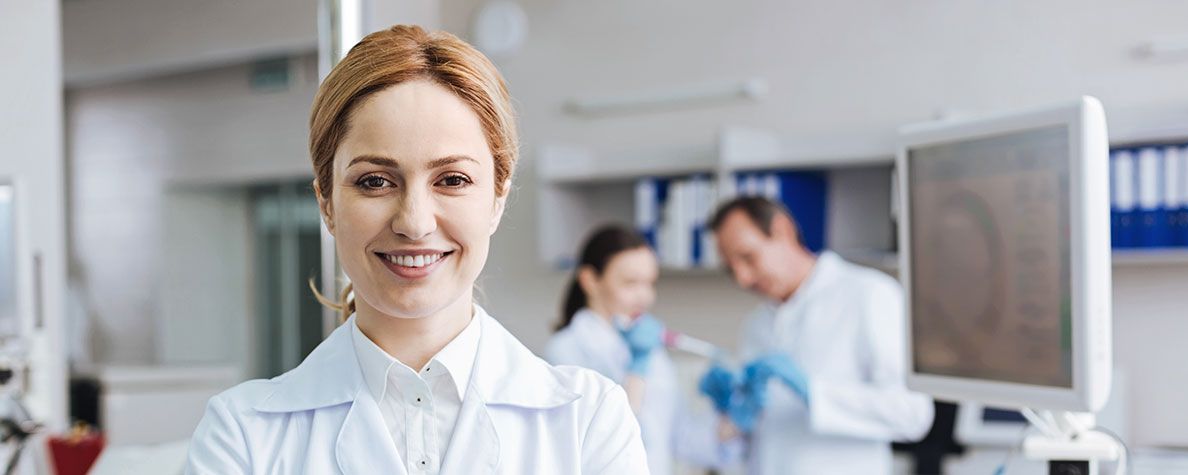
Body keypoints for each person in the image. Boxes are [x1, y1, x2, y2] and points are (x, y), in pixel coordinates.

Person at [185, 25, 649, 474]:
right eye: (375, 181)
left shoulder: (588, 421)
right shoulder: (243, 435)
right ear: (326, 202)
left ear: (497, 199)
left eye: (452, 180)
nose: (414, 222)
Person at [700, 196, 933, 474]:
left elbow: (913, 415)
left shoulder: (869, 294)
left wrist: (814, 393)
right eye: (730, 268)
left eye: (748, 257)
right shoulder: (756, 324)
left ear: (782, 230)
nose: (742, 279)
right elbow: (759, 438)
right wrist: (733, 414)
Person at [544, 225, 738, 475]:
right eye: (630, 283)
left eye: (649, 283)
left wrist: (733, 417)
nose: (645, 297)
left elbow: (680, 439)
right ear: (590, 281)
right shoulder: (565, 350)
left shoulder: (650, 351)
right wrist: (636, 369)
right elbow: (604, 438)